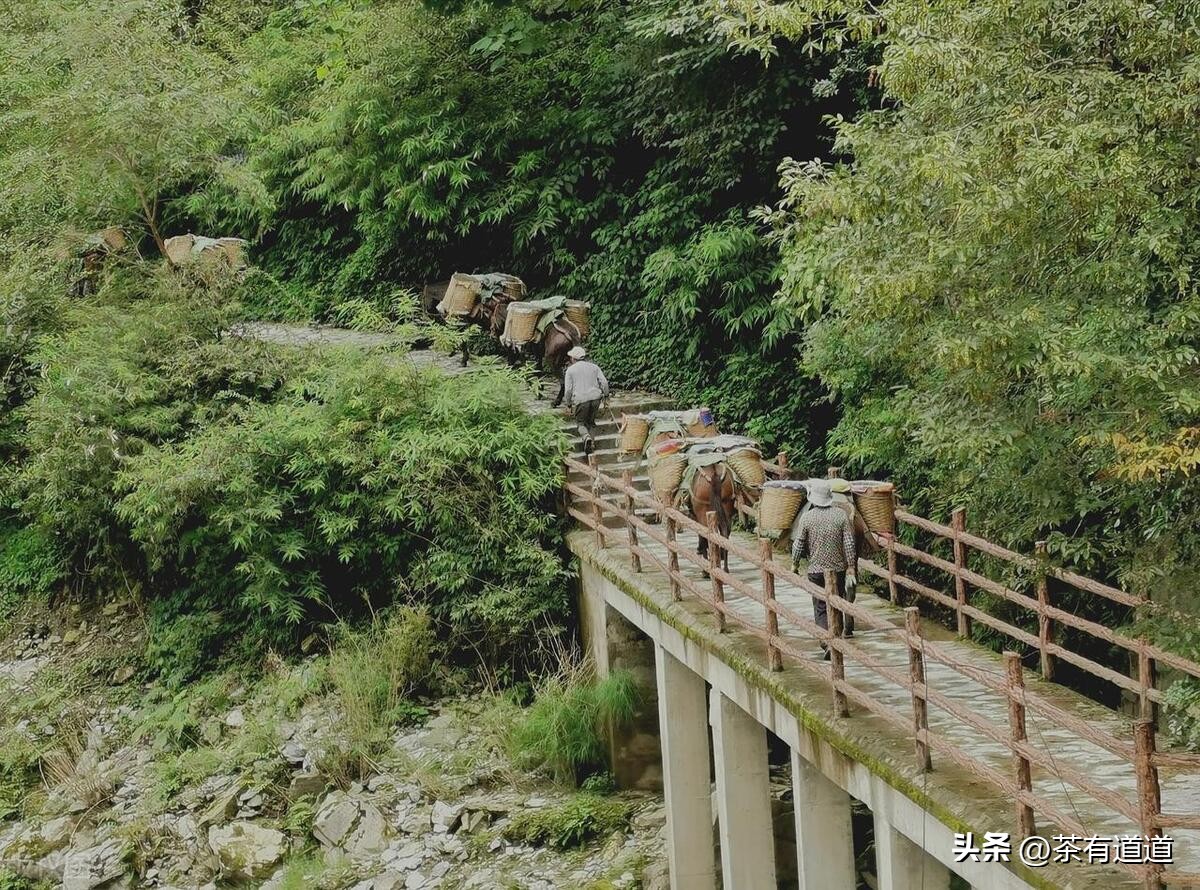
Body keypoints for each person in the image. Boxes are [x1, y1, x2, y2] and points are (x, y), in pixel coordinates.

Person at [791, 479, 857, 657]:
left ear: (813, 499)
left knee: (820, 606)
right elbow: (849, 543)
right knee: (837, 602)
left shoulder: (807, 518)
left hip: (816, 570)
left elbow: (798, 544)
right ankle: (837, 640)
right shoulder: (840, 515)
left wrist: (794, 564)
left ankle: (826, 641)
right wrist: (850, 566)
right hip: (838, 569)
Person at [562, 346, 609, 453]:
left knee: (581, 423)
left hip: (581, 400)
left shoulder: (570, 370)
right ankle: (591, 444)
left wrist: (568, 404)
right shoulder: (594, 367)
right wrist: (606, 396)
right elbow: (604, 382)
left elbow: (568, 390)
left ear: (573, 359)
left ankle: (586, 437)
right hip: (595, 398)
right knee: (591, 423)